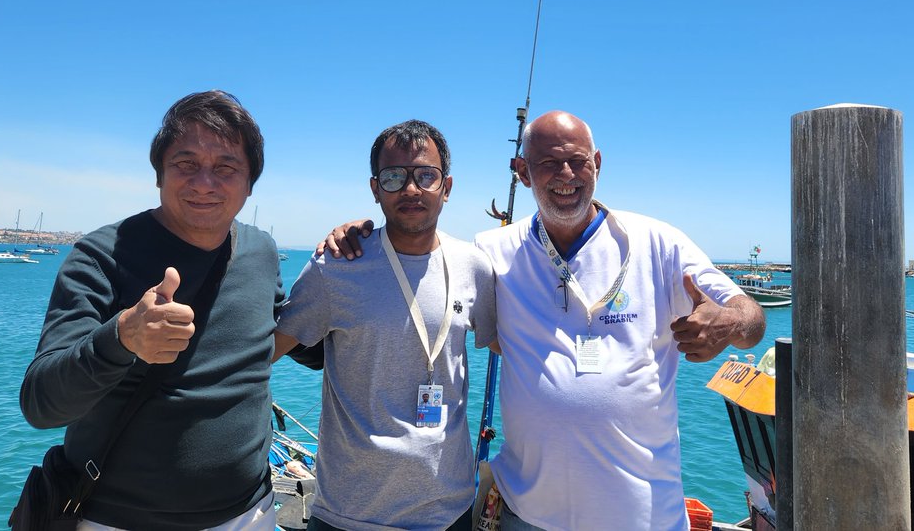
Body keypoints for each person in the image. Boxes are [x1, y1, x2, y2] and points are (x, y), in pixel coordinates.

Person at [320, 110, 765, 531]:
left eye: (577, 161)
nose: (566, 175)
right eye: (549, 163)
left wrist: (729, 324)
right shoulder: (491, 252)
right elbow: (417, 269)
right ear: (522, 171)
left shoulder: (658, 243)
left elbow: (752, 317)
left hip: (643, 513)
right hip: (526, 514)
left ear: (598, 163)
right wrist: (361, 237)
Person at [19, 90, 284, 531]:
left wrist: (345, 259)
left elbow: (279, 336)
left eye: (226, 168)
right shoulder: (102, 255)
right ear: (158, 174)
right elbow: (41, 405)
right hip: (117, 520)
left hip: (249, 514)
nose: (204, 183)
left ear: (250, 182)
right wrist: (121, 338)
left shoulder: (262, 251)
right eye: (186, 164)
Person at [274, 119, 496, 531]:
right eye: (394, 177)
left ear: (446, 187)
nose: (411, 189)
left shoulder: (475, 266)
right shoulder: (335, 267)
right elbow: (262, 353)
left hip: (449, 511)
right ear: (375, 189)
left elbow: (518, 347)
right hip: (348, 514)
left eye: (425, 176)